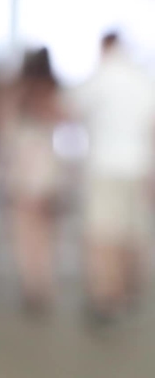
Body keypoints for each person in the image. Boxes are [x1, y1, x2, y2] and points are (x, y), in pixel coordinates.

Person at [68, 32, 155, 326]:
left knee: (103, 234)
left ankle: (107, 296)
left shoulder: (101, 76)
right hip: (140, 166)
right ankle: (131, 288)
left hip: (104, 166)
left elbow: (71, 108)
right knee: (133, 232)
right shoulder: (143, 78)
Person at [0, 48, 65, 316]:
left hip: (20, 166)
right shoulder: (51, 92)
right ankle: (43, 282)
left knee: (23, 230)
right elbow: (63, 121)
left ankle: (31, 283)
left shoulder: (10, 91)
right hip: (45, 166)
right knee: (45, 231)